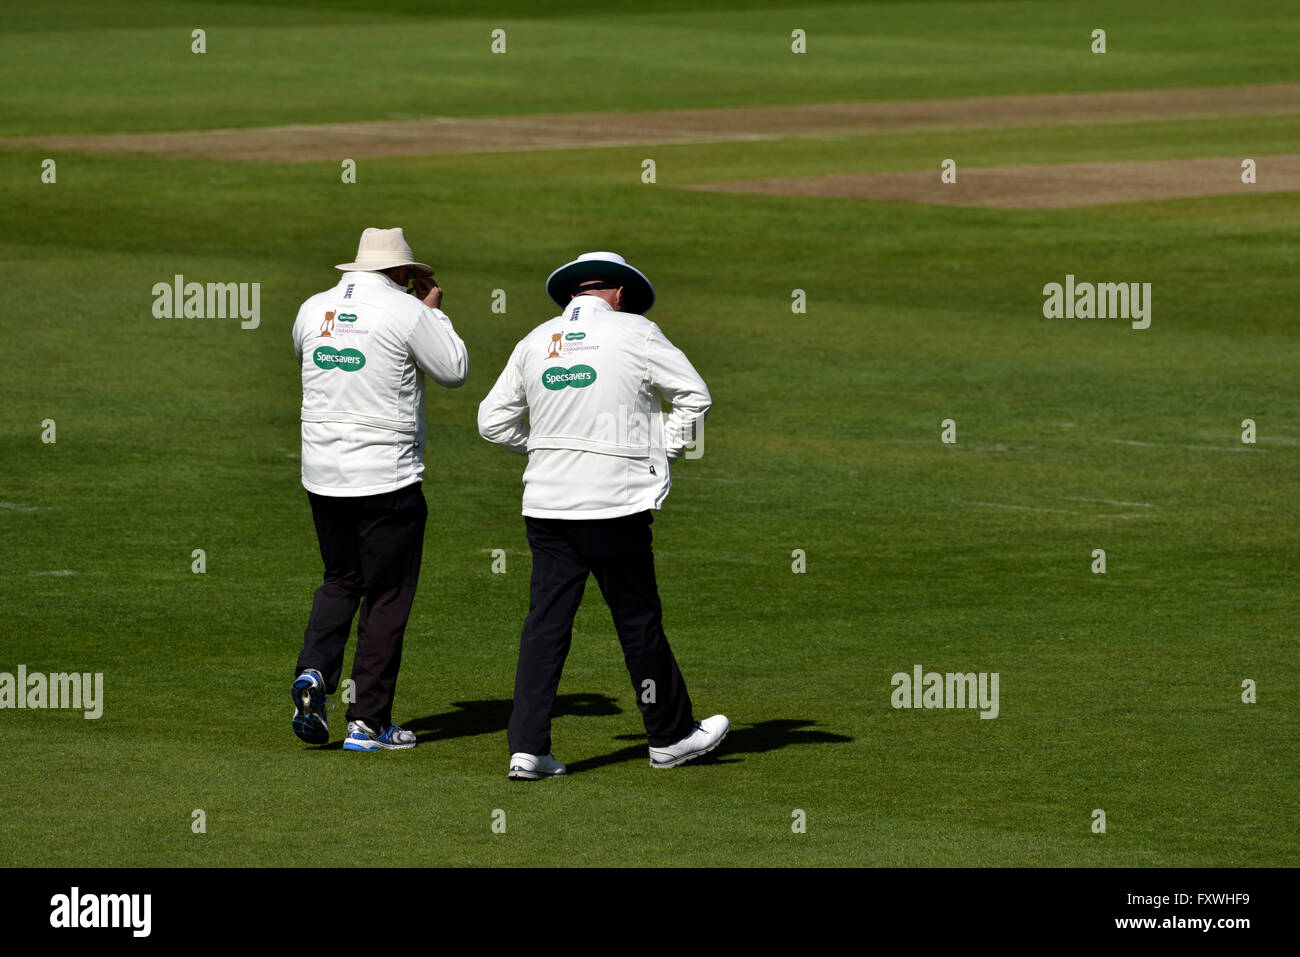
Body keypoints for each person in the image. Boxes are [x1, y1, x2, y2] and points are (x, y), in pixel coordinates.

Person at [477, 251, 728, 780]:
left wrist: (548, 450)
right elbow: (694, 396)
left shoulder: (534, 340)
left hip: (546, 504)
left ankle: (527, 750)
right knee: (637, 623)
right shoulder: (636, 331)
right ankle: (671, 737)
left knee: (544, 627)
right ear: (617, 294)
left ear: (573, 293)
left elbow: (493, 422)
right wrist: (660, 449)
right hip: (615, 504)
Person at [289, 227, 468, 752]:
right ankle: (367, 722)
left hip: (322, 473)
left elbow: (309, 366)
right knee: (388, 596)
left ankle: (315, 674)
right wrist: (433, 313)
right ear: (401, 274)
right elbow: (454, 369)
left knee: (340, 581)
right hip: (385, 476)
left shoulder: (311, 308)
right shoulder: (409, 312)